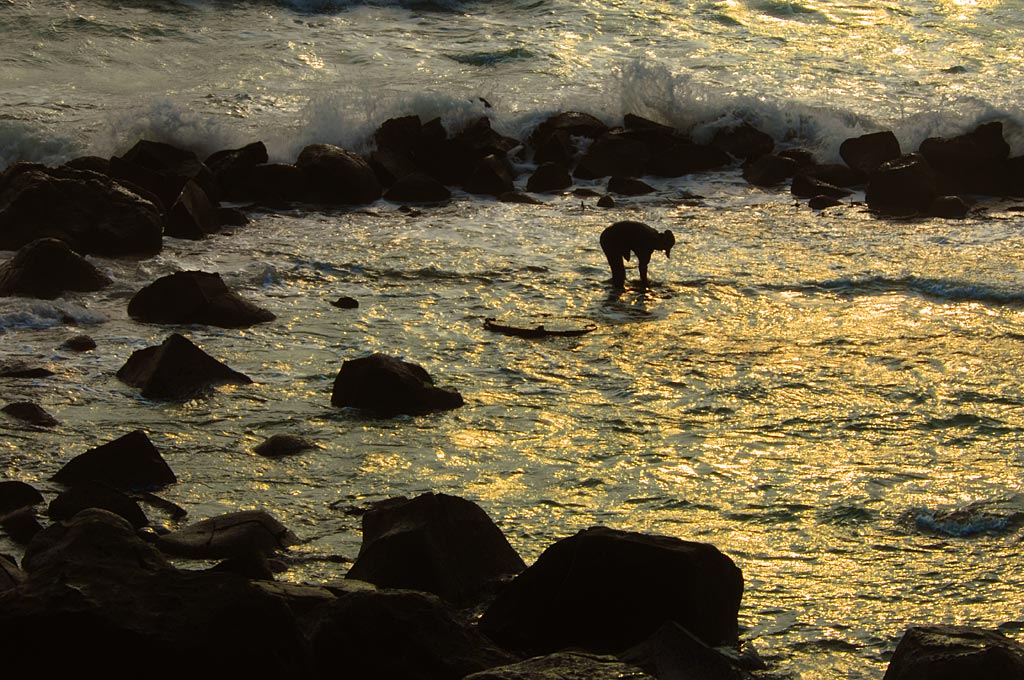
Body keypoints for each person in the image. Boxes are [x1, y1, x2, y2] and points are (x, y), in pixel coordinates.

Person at [599, 220, 674, 288]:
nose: (661, 251)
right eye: (664, 248)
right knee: (619, 275)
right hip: (610, 237)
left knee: (619, 275)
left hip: (616, 234)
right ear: (661, 242)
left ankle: (616, 288)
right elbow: (643, 266)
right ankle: (615, 293)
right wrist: (645, 285)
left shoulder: (653, 236)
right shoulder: (648, 241)